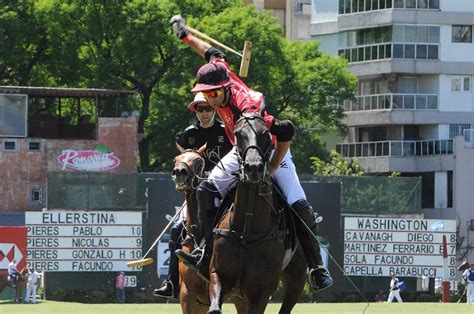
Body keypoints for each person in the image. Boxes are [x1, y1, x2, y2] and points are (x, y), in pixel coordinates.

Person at [170, 15, 333, 291]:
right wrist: (185, 35)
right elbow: (211, 52)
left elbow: (285, 131)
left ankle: (316, 268)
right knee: (203, 191)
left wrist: (272, 167)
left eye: (211, 95)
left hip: (268, 151)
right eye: (204, 95)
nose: (208, 100)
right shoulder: (219, 72)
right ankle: (203, 250)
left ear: (223, 89)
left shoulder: (248, 105)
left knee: (299, 206)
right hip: (240, 150)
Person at [153, 93, 232, 299]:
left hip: (221, 190)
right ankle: (170, 281)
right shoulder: (189, 133)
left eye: (207, 108)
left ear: (214, 109)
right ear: (195, 111)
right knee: (178, 228)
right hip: (196, 194)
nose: (204, 113)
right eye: (200, 109)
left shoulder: (225, 131)